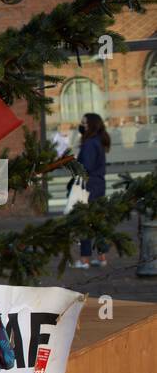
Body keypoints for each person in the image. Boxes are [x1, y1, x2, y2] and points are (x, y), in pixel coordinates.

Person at [72, 113, 111, 269]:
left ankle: (84, 259)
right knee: (96, 221)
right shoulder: (97, 142)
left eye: (84, 123)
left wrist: (74, 162)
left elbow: (85, 167)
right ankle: (101, 257)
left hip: (89, 186)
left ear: (92, 125)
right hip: (98, 185)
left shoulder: (89, 144)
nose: (81, 125)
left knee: (85, 221)